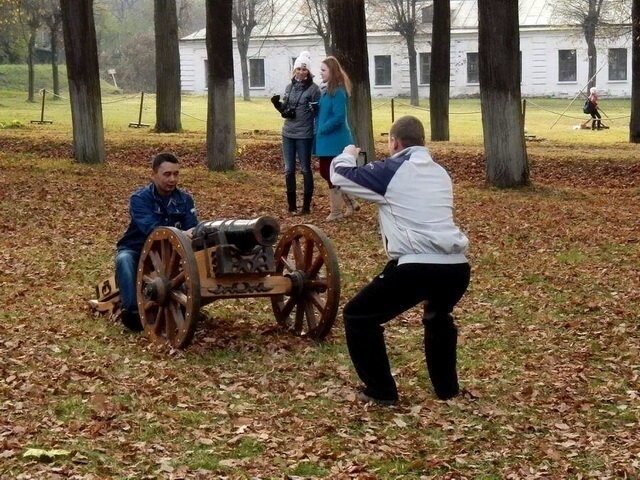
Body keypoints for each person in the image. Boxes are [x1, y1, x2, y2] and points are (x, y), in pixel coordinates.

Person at [330, 116, 471, 406]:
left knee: (359, 316)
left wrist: (348, 153)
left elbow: (340, 176)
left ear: (395, 142)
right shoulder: (441, 172)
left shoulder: (391, 170)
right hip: (457, 266)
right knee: (438, 317)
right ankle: (447, 390)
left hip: (418, 265)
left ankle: (381, 390)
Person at [115, 152, 199, 331]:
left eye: (176, 174)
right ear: (153, 175)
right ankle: (133, 313)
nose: (172, 179)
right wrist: (182, 233)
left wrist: (191, 233)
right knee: (124, 260)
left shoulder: (185, 200)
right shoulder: (139, 198)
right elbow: (151, 228)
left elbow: (193, 228)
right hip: (138, 248)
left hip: (172, 253)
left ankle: (188, 305)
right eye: (167, 174)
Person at [270, 51, 321, 215]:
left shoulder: (314, 89)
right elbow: (286, 110)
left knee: (305, 169)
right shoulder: (289, 87)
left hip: (304, 134)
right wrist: (278, 105)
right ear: (294, 70)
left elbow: (316, 112)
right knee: (289, 169)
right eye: (298, 69)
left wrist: (313, 110)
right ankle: (291, 206)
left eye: (304, 69)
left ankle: (306, 207)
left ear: (309, 71)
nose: (301, 72)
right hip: (288, 133)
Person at [314, 56, 359, 221]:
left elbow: (339, 116)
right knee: (328, 172)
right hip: (326, 140)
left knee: (330, 172)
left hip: (335, 140)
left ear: (332, 71)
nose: (321, 73)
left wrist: (323, 128)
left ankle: (336, 211)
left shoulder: (338, 91)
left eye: (324, 70)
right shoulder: (326, 90)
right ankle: (350, 201)